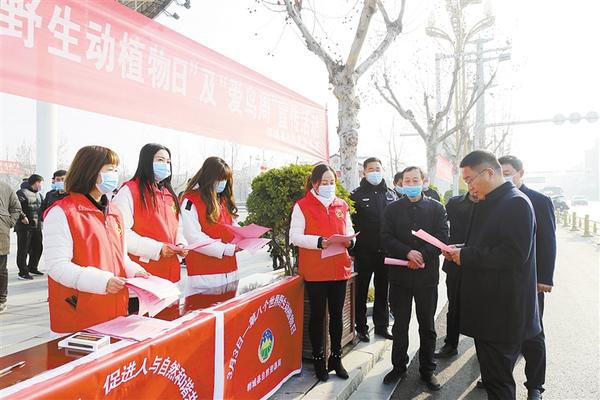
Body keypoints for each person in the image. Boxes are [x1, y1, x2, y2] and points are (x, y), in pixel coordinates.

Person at [443, 150, 540, 400]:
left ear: (488, 173)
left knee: (498, 383)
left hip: (501, 312)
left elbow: (514, 254)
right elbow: (485, 243)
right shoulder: (489, 201)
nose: (469, 186)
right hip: (487, 311)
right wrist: (460, 249)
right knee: (493, 377)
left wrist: (467, 255)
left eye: (470, 179)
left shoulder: (515, 203)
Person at [43, 145, 149, 333]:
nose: (114, 175)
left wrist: (136, 272)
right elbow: (57, 265)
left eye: (116, 170)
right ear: (90, 171)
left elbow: (121, 257)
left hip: (115, 306)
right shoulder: (63, 212)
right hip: (79, 310)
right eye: (110, 170)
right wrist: (103, 281)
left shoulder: (114, 212)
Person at [381, 166, 448, 390]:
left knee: (427, 325)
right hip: (399, 276)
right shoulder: (392, 209)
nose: (411, 184)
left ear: (423, 181)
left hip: (426, 277)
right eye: (407, 181)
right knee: (400, 325)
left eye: (415, 180)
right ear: (401, 183)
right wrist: (407, 252)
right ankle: (398, 366)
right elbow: (386, 237)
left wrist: (421, 256)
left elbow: (442, 236)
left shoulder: (436, 207)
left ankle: (427, 370)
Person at [497, 155, 556, 400]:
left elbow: (548, 241)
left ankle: (535, 386)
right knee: (501, 332)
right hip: (501, 280)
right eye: (500, 173)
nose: (504, 177)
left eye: (508, 172)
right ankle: (498, 377)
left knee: (532, 334)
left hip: (531, 281)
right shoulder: (495, 200)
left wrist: (545, 277)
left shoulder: (540, 201)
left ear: (521, 173)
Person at [290, 163, 354, 382]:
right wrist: (318, 242)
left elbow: (349, 229)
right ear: (315, 184)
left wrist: (350, 241)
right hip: (316, 270)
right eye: (324, 182)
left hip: (339, 268)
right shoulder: (302, 206)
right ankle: (319, 360)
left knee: (337, 315)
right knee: (317, 316)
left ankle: (336, 357)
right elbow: (295, 237)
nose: (329, 186)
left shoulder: (342, 204)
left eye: (332, 182)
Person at [113, 144, 188, 284]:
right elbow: (121, 233)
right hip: (143, 272)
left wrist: (181, 244)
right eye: (160, 160)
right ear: (146, 161)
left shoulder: (169, 194)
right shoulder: (129, 191)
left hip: (171, 272)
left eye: (168, 162)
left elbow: (178, 228)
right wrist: (157, 249)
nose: (165, 165)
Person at [350, 157, 397, 342]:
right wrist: (352, 252)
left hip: (386, 252)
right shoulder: (355, 196)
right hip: (364, 252)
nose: (375, 172)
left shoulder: (391, 195)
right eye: (371, 169)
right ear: (364, 172)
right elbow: (350, 226)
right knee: (361, 291)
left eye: (378, 168)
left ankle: (382, 326)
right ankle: (361, 327)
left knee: (383, 290)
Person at [180, 157, 240, 292]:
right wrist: (226, 249)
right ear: (208, 177)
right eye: (219, 179)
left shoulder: (222, 199)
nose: (222, 183)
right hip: (205, 274)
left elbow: (232, 225)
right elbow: (193, 237)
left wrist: (245, 238)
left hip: (230, 271)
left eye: (225, 179)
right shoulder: (190, 200)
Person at [434, 190, 478, 359]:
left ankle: (483, 349)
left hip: (479, 264)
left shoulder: (490, 203)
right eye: (468, 180)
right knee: (454, 306)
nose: (472, 184)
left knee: (481, 307)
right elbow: (442, 227)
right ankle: (451, 344)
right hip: (454, 262)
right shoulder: (454, 203)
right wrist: (444, 246)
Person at [15, 174, 44, 279]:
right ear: (36, 182)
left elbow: (43, 208)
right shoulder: (21, 193)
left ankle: (32, 267)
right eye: (41, 183)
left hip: (37, 226)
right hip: (24, 227)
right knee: (23, 250)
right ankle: (23, 272)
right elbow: (16, 206)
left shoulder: (39, 195)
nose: (41, 185)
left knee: (38, 248)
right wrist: (22, 217)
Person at [0, 181, 22, 313]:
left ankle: (1, 299)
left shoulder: (5, 187)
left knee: (0, 269)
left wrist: (9, 222)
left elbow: (16, 207)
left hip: (1, 231)